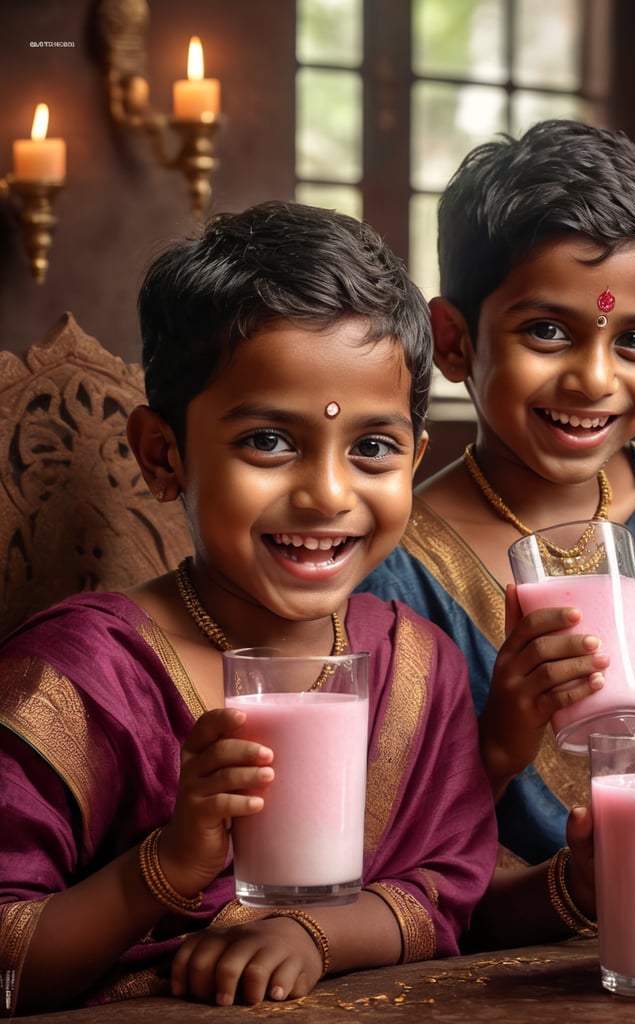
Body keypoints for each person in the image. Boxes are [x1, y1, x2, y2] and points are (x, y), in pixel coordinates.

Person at [0, 201, 499, 1015]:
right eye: (269, 441)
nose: (327, 494)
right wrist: (164, 867)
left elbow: (445, 890)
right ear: (164, 455)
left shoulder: (415, 663)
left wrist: (316, 935)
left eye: (372, 447)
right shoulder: (78, 680)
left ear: (415, 456)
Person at [359, 119, 635, 940]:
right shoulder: (386, 566)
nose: (592, 376)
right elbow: (381, 860)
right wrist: (495, 740)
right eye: (546, 331)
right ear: (453, 339)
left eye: (634, 340)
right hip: (472, 961)